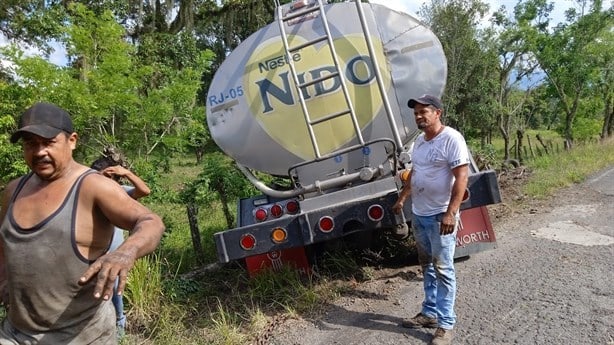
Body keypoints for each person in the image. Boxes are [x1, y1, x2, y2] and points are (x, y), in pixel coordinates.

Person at [0, 102, 165, 344]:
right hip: (16, 333)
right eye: (30, 144)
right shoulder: (14, 190)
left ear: (72, 141)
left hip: (82, 336)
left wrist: (125, 253)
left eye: (48, 142)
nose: (39, 152)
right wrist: (3, 279)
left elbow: (151, 221)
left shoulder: (93, 186)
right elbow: (3, 244)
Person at [392, 94, 469, 345]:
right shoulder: (420, 144)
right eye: (416, 113)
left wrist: (451, 212)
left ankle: (446, 325)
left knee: (444, 268)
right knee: (427, 266)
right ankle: (429, 313)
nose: (418, 116)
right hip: (421, 214)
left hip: (440, 216)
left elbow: (461, 178)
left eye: (424, 111)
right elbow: (416, 173)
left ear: (438, 113)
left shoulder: (452, 139)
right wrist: (403, 198)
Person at [91, 155, 151, 337]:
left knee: (115, 298)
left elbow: (144, 191)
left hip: (115, 259)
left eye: (105, 177)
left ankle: (119, 335)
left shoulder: (119, 193)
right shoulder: (88, 194)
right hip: (91, 258)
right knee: (93, 300)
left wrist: (126, 173)